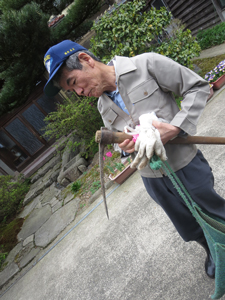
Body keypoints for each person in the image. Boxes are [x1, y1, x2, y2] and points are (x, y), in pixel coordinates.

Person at [43, 40, 225, 279]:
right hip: (153, 178)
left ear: (86, 60)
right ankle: (211, 250)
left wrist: (174, 128)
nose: (79, 92)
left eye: (74, 82)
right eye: (72, 91)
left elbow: (197, 87)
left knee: (212, 209)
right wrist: (126, 148)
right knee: (186, 224)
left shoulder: (146, 65)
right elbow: (124, 142)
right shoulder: (102, 105)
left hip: (184, 163)